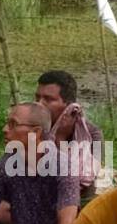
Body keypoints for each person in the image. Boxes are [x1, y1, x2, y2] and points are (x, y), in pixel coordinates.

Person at [35, 69, 105, 203]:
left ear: (68, 105)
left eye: (48, 99)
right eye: (37, 97)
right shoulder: (32, 129)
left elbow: (86, 181)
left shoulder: (92, 134)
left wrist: (60, 138)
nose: (39, 104)